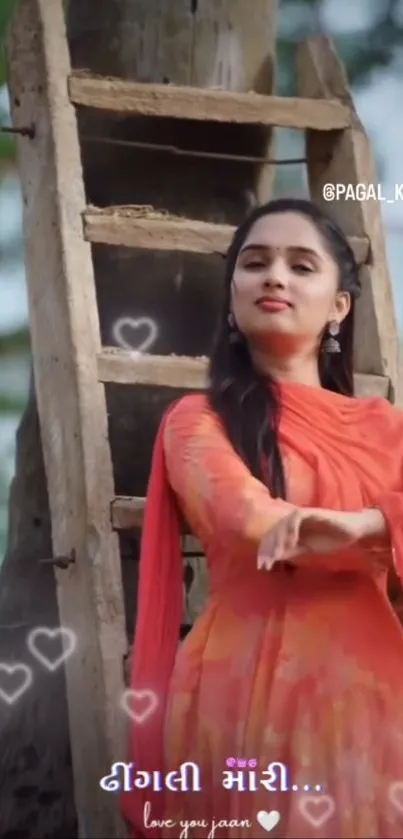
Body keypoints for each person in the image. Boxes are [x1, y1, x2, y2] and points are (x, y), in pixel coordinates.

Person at [121, 198, 403, 839]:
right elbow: (248, 518)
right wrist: (372, 526)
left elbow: (340, 529)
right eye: (255, 263)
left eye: (301, 265)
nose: (274, 276)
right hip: (242, 696)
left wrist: (368, 524)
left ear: (340, 306)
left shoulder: (387, 429)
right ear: (231, 299)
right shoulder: (198, 420)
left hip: (373, 701)